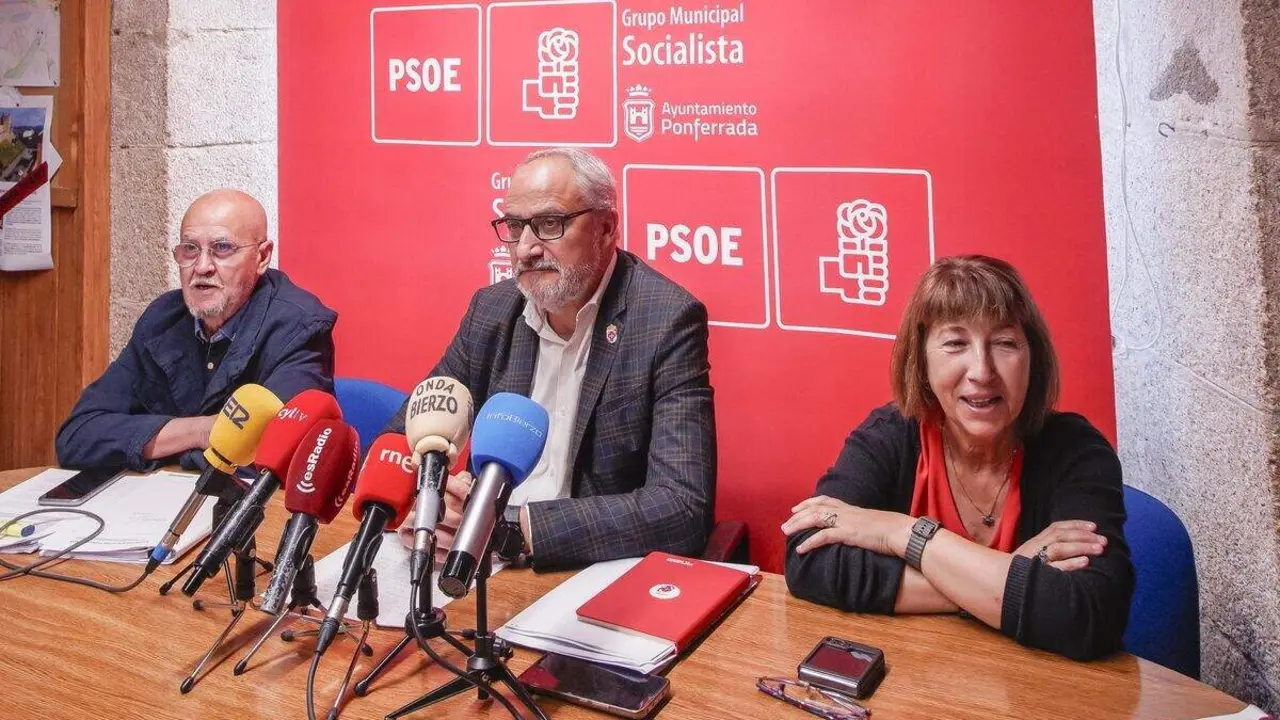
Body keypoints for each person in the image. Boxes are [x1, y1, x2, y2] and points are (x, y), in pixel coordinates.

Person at [782, 255, 1133, 661]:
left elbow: (1089, 614)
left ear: (1032, 358)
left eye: (1004, 343)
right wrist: (1004, 573)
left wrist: (898, 533)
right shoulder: (890, 436)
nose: (981, 371)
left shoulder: (1076, 451)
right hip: (919, 686)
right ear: (923, 359)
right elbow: (807, 558)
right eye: (955, 343)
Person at [386, 147, 716, 571]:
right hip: (467, 563)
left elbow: (681, 507)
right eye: (515, 225)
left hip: (577, 567)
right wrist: (430, 495)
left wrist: (510, 529)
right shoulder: (491, 311)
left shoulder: (665, 319)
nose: (525, 248)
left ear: (606, 228)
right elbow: (400, 438)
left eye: (548, 224)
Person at [55, 189, 337, 472]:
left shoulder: (299, 327)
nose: (202, 267)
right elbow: (78, 437)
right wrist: (201, 431)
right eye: (190, 249)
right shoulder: (162, 319)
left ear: (262, 257)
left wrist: (157, 444)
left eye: (222, 248)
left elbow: (273, 462)